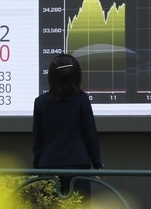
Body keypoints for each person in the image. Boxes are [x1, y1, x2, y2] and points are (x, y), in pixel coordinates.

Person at [32, 53, 104, 201]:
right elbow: (90, 134)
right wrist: (98, 164)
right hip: (78, 166)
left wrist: (37, 166)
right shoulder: (82, 100)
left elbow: (37, 141)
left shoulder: (40, 102)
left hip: (48, 166)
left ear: (51, 77)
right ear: (77, 76)